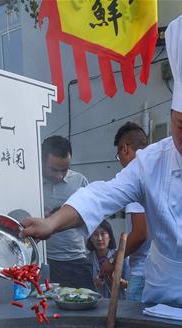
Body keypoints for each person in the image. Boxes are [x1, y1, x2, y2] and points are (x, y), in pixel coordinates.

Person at [22, 13, 182, 313]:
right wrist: (51, 224)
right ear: (172, 117)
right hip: (159, 293)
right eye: (181, 125)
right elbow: (102, 195)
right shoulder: (151, 161)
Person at [40, 136, 93, 289]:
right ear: (42, 161)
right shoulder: (32, 183)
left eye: (64, 170)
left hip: (77, 261)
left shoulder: (79, 182)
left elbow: (90, 218)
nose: (59, 175)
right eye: (54, 169)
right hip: (44, 261)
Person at [104, 122, 149, 302]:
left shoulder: (135, 179)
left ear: (125, 149)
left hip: (143, 274)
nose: (121, 162)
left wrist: (113, 261)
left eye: (119, 156)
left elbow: (140, 234)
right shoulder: (155, 172)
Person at [86, 219, 120, 297]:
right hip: (94, 301)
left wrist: (118, 280)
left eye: (103, 233)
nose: (100, 238)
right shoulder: (86, 260)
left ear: (110, 237)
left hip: (118, 302)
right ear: (90, 238)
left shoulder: (120, 257)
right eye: (95, 234)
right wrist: (94, 282)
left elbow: (130, 285)